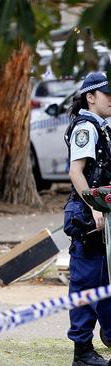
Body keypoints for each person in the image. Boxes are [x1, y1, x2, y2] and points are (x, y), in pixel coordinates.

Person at [62, 72, 111, 366]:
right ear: (90, 97)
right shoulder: (86, 128)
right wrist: (92, 205)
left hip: (100, 212)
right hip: (86, 214)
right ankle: (82, 352)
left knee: (105, 280)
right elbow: (76, 172)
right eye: (107, 95)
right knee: (85, 284)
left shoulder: (101, 127)